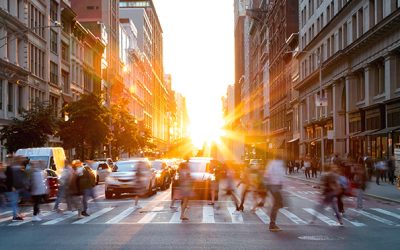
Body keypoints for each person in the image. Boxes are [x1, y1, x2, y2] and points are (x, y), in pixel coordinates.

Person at [263, 155, 286, 232]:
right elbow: (281, 176)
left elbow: (266, 175)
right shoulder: (279, 164)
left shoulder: (271, 163)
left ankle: (272, 223)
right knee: (277, 204)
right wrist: (281, 184)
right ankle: (272, 224)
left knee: (278, 203)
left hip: (271, 186)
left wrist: (267, 185)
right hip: (275, 186)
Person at [5, 156, 29, 221]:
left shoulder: (14, 167)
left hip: (17, 187)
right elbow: (9, 178)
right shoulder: (9, 168)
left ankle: (16, 215)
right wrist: (12, 186)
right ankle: (15, 216)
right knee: (14, 202)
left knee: (16, 202)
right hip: (13, 188)